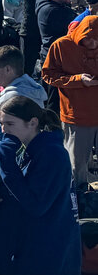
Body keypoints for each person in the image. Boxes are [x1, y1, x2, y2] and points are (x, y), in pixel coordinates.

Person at [0, 95, 82, 275]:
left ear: (33, 123)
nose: (3, 130)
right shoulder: (24, 147)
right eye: (1, 124)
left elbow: (36, 204)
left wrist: (6, 161)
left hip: (35, 256)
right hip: (12, 248)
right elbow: (19, 189)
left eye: (10, 124)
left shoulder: (52, 154)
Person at [40, 11, 98, 211]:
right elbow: (47, 75)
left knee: (87, 161)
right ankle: (77, 199)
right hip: (77, 113)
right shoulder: (61, 45)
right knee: (76, 161)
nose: (93, 45)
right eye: (89, 40)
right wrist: (77, 80)